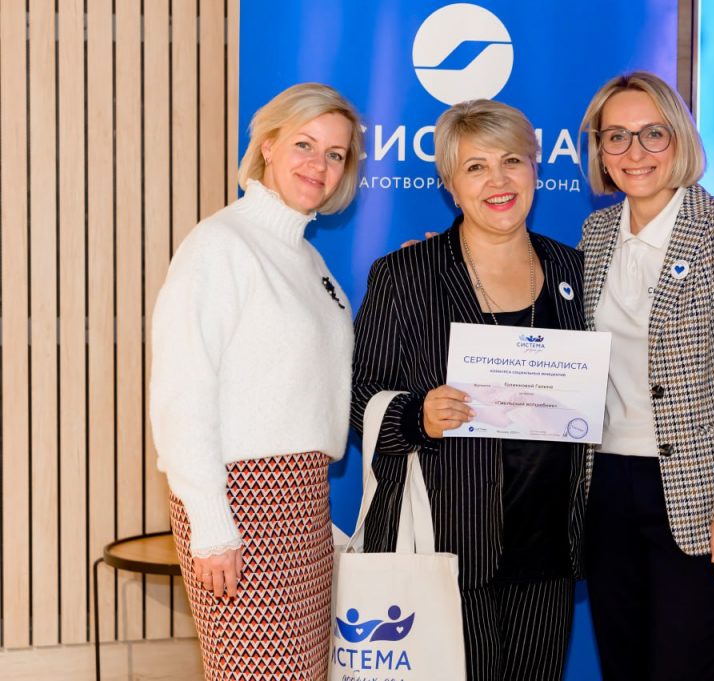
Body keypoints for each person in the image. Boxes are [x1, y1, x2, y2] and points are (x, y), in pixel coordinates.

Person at [350, 99, 587, 681]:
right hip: (447, 545)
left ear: (535, 169)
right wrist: (416, 417)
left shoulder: (575, 271)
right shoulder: (404, 275)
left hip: (547, 550)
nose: (498, 181)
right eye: (476, 167)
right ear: (451, 186)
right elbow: (357, 395)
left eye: (512, 161)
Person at [150, 82, 363, 680]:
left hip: (303, 503)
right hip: (241, 502)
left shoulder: (309, 261)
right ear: (268, 145)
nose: (318, 164)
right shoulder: (219, 244)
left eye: (335, 154)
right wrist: (211, 525)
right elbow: (181, 394)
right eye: (304, 144)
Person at [577, 71, 714, 681]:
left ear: (681, 140)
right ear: (601, 153)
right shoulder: (594, 235)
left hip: (702, 496)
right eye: (616, 136)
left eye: (653, 133)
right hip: (606, 488)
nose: (634, 151)